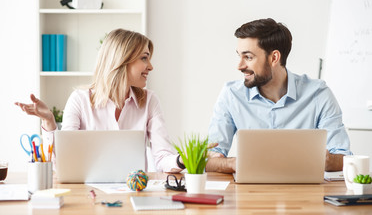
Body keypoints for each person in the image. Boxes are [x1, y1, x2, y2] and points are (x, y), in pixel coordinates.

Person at [15, 29, 184, 173]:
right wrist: (49, 121)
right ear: (122, 59)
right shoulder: (79, 100)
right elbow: (62, 165)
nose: (151, 66)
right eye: (144, 58)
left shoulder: (149, 100)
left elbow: (162, 158)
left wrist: (183, 160)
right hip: (88, 195)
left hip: (134, 192)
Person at [206, 18, 352, 173]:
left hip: (305, 193)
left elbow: (344, 158)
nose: (240, 66)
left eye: (248, 57)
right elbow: (208, 159)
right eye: (239, 56)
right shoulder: (231, 95)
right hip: (250, 193)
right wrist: (234, 164)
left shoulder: (318, 94)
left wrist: (327, 160)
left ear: (274, 58)